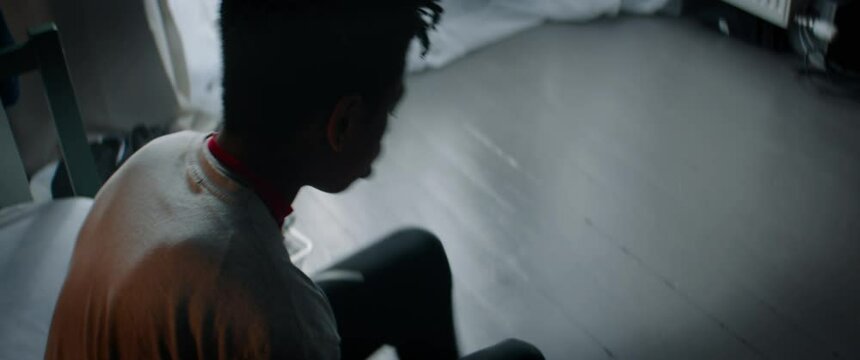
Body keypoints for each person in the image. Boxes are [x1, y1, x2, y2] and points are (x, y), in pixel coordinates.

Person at [45, 0, 544, 359]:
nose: (387, 130)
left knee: (419, 259)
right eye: (387, 111)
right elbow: (266, 314)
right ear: (343, 124)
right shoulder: (279, 316)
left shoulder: (157, 158)